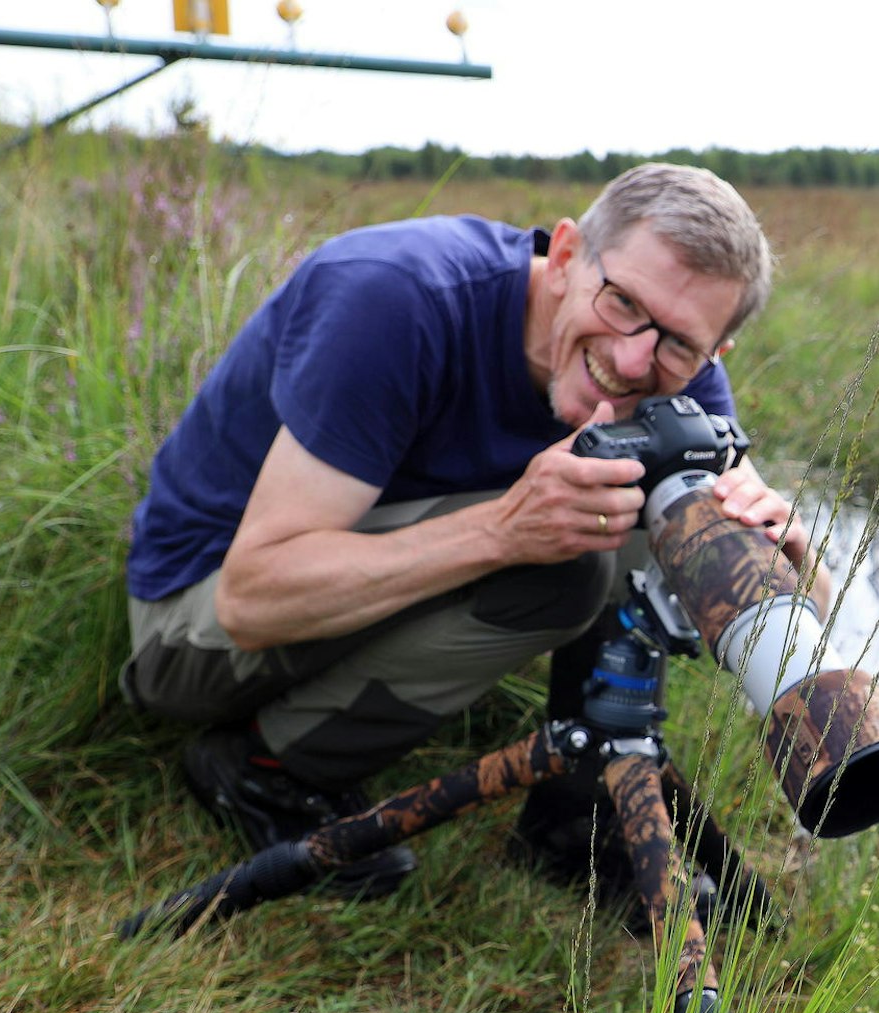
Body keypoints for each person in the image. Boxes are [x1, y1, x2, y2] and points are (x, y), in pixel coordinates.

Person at [119, 163, 808, 898]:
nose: (634, 357)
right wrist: (504, 532)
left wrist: (788, 550)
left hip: (328, 594)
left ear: (713, 353)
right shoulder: (397, 299)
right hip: (191, 624)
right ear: (567, 256)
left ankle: (580, 817)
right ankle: (264, 766)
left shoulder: (678, 373)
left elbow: (772, 571)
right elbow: (250, 600)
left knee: (666, 510)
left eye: (678, 344)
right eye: (621, 303)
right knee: (566, 561)